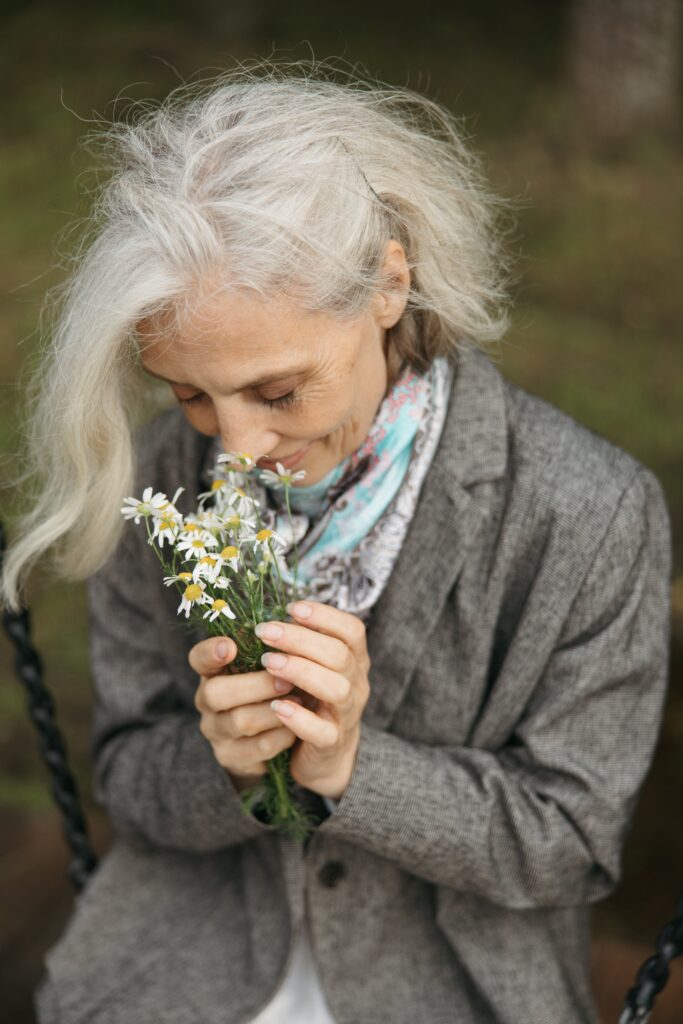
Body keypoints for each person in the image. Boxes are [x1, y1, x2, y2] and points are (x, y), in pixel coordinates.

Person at [0, 63, 672, 1024]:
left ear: (389, 284)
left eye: (278, 391)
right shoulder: (158, 479)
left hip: (453, 985)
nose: (235, 446)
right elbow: (129, 777)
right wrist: (228, 768)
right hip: (183, 964)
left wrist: (351, 768)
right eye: (190, 393)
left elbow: (569, 840)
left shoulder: (583, 512)